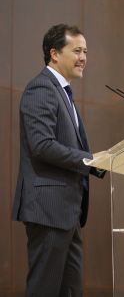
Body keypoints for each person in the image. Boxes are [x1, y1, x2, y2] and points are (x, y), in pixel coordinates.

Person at [12, 24, 105, 297]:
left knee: (71, 290)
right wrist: (90, 160)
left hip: (69, 214)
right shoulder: (41, 87)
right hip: (49, 210)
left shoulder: (63, 93)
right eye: (76, 50)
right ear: (54, 53)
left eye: (86, 51)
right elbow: (41, 145)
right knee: (45, 290)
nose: (83, 57)